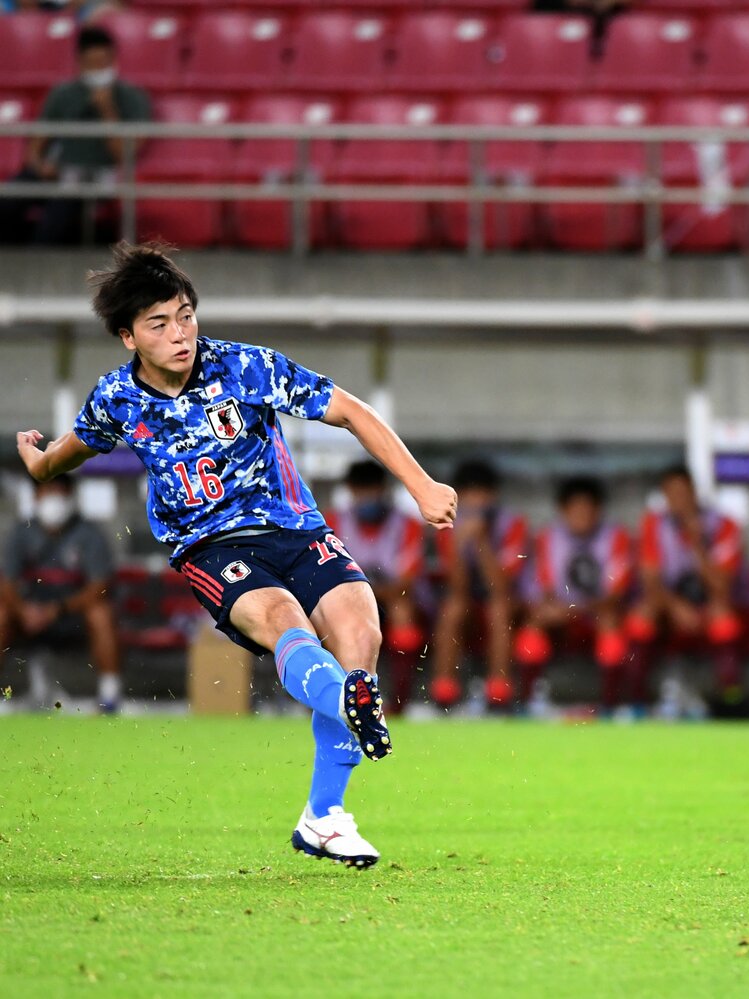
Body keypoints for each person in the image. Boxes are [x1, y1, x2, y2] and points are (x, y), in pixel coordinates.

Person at [14, 243, 456, 869]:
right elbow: (69, 452)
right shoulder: (116, 399)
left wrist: (422, 486)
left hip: (296, 528)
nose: (180, 334)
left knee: (361, 634)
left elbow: (350, 411)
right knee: (284, 622)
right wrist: (38, 464)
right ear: (128, 337)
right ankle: (348, 707)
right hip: (210, 545)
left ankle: (324, 816)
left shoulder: (245, 367)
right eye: (159, 324)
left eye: (185, 315)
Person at [0, 25, 150, 245]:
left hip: (97, 177)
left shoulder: (132, 97)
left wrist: (107, 110)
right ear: (80, 62)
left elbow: (122, 154)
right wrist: (41, 166)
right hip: (58, 172)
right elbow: (35, 146)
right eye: (92, 63)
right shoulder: (62, 94)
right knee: (8, 200)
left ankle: (38, 259)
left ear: (114, 60)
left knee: (55, 217)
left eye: (103, 63)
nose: (98, 69)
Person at [626, 465, 746, 713]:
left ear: (694, 492)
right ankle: (636, 700)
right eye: (671, 493)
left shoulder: (723, 525)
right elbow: (651, 580)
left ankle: (730, 697)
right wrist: (676, 607)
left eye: (683, 492)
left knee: (724, 616)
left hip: (708, 602)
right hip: (669, 603)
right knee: (641, 616)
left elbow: (721, 585)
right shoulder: (652, 525)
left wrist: (698, 545)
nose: (678, 499)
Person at [513, 476, 634, 716]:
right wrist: (559, 609)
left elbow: (616, 592)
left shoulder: (615, 536)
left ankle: (611, 704)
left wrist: (579, 609)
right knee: (535, 621)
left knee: (611, 621)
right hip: (560, 610)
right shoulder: (547, 538)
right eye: (576, 510)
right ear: (563, 511)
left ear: (598, 511)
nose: (582, 516)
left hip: (597, 611)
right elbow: (543, 588)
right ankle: (528, 700)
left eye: (588, 510)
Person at [0, 474, 120, 711]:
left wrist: (57, 610)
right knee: (1, 614)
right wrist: (24, 611)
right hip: (29, 616)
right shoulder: (21, 532)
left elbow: (99, 587)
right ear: (36, 496)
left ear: (70, 495)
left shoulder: (89, 534)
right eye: (48, 491)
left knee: (101, 614)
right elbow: (7, 583)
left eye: (60, 491)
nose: (54, 498)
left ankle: (110, 697)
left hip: (71, 616)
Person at [326, 460, 428, 716]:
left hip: (392, 600)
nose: (367, 496)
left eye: (372, 489)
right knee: (329, 614)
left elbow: (405, 583)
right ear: (350, 490)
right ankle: (334, 700)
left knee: (402, 611)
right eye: (360, 490)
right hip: (347, 601)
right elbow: (326, 575)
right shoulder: (332, 522)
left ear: (384, 490)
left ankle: (399, 703)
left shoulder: (408, 525)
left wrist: (363, 595)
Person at [429, 460, 528, 713]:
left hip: (506, 600)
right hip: (464, 598)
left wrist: (481, 541)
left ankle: (498, 689)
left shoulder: (513, 524)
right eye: (470, 494)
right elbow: (456, 586)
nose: (477, 501)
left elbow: (500, 586)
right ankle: (444, 689)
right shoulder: (446, 524)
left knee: (499, 608)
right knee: (453, 608)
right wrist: (458, 545)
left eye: (482, 494)